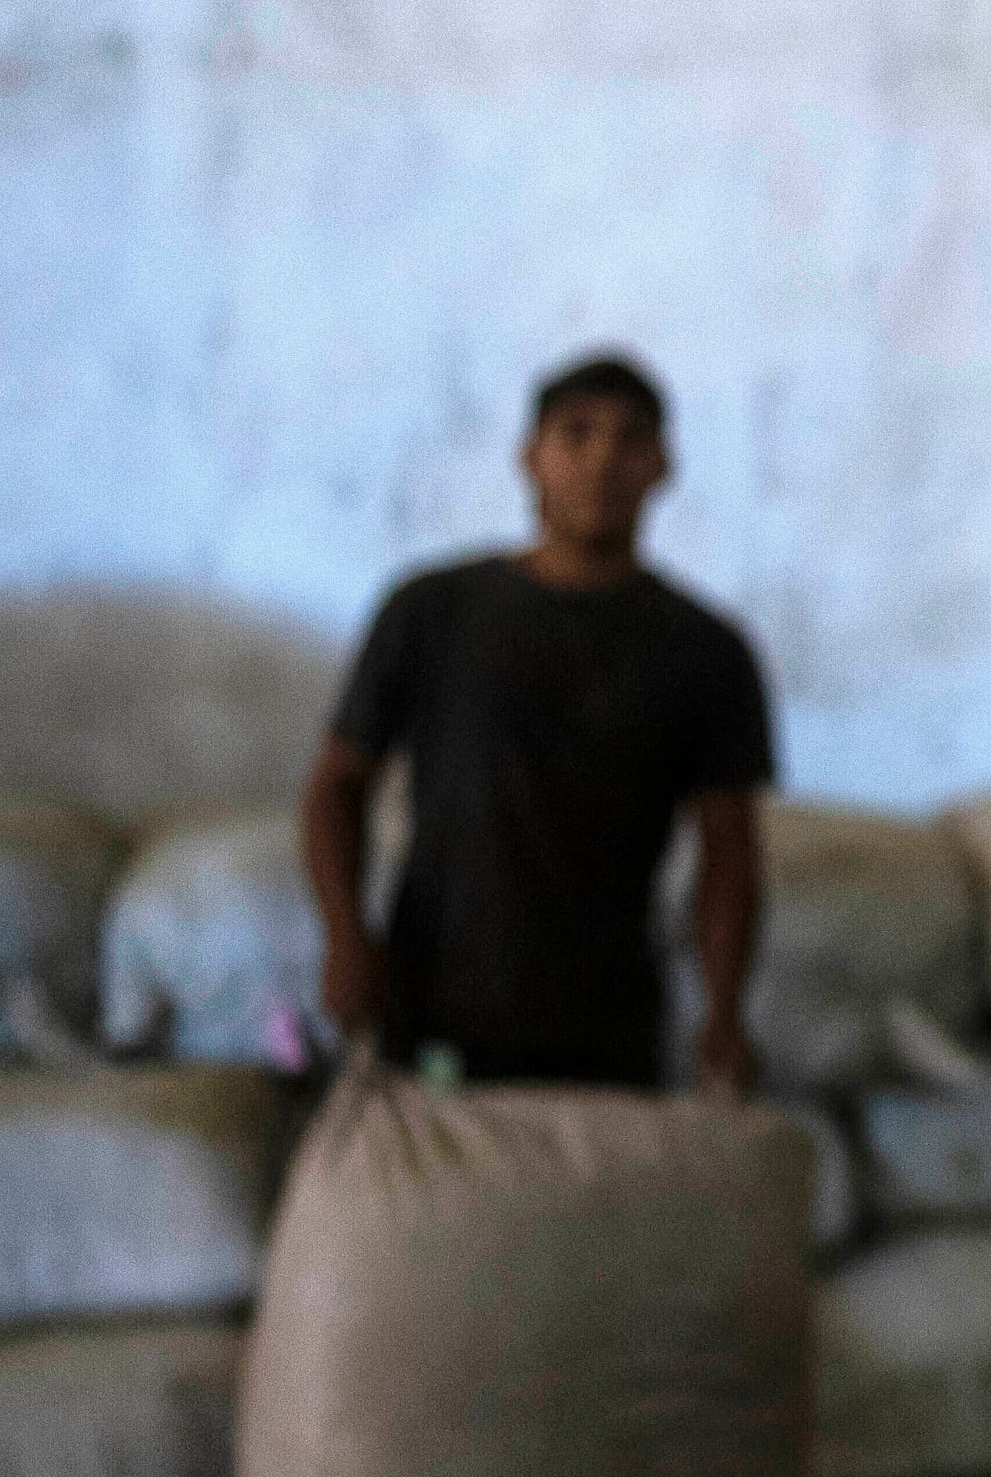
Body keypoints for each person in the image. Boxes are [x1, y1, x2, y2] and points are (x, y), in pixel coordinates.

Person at [302, 352, 777, 1097]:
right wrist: (344, 937)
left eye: (629, 439)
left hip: (608, 1027)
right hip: (432, 1006)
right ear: (531, 457)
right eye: (576, 433)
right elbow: (337, 784)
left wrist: (723, 1013)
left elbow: (731, 852)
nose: (602, 460)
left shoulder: (706, 652)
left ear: (662, 465)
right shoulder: (431, 612)